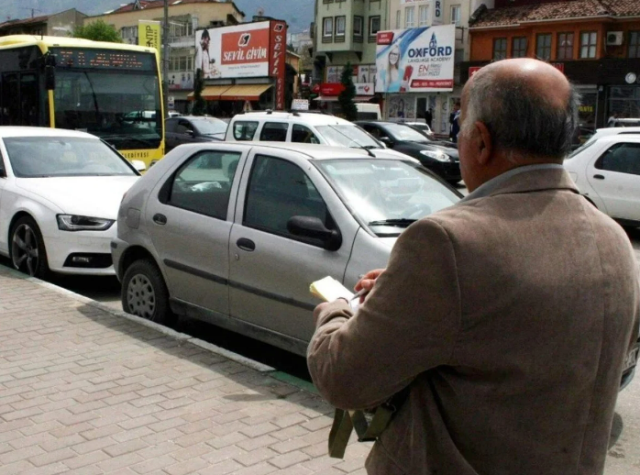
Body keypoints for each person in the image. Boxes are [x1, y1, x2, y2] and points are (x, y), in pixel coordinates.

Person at [307, 58, 639, 475]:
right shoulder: (614, 239)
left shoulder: (446, 243)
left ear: (480, 141)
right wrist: (403, 293)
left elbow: (343, 378)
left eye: (460, 127)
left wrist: (335, 311)